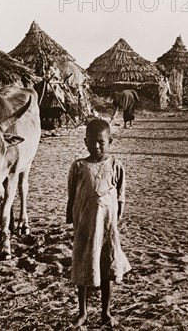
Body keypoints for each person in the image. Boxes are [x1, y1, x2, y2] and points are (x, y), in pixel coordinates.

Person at [66, 118, 131, 328]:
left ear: (109, 141)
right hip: (84, 227)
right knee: (83, 265)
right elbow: (72, 196)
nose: (96, 146)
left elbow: (120, 196)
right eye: (92, 141)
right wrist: (73, 222)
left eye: (101, 142)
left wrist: (115, 224)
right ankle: (82, 312)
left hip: (107, 229)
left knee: (107, 267)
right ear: (85, 141)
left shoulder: (115, 166)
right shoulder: (78, 166)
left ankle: (106, 312)